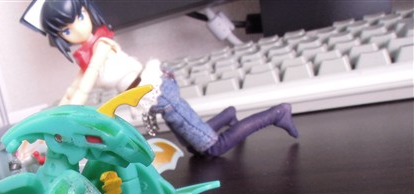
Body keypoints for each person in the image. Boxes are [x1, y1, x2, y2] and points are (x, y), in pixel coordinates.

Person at [21, 0, 298, 157]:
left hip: (158, 91)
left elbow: (85, 86)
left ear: (88, 11)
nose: (78, 29)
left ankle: (277, 114)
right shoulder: (87, 54)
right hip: (152, 96)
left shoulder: (102, 46)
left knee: (212, 148)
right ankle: (228, 115)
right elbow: (72, 91)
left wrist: (63, 120)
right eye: (66, 30)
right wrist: (47, 124)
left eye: (79, 17)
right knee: (194, 146)